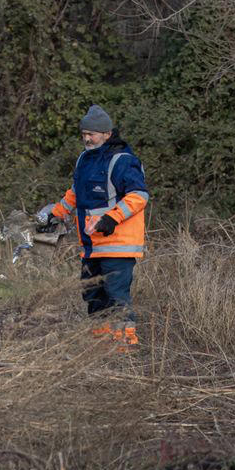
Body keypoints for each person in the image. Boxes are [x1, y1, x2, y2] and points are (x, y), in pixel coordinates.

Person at [37, 105, 148, 347]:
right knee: (93, 295)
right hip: (91, 246)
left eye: (92, 134)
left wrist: (111, 218)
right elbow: (75, 193)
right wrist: (55, 214)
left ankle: (125, 346)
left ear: (107, 134)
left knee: (116, 296)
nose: (87, 138)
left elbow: (139, 196)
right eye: (84, 134)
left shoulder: (123, 160)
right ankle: (100, 346)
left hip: (118, 246)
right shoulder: (84, 159)